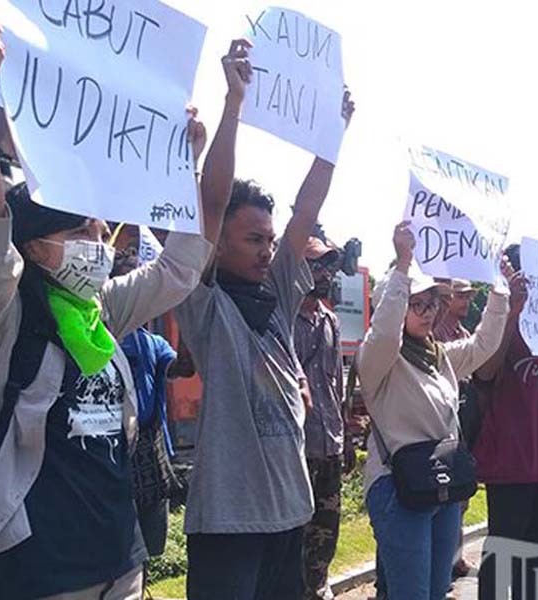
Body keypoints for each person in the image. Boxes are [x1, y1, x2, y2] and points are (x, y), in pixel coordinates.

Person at [0, 16, 217, 598]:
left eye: (98, 222)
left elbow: (181, 268)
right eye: (79, 227)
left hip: (119, 561)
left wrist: (183, 168)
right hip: (40, 574)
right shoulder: (2, 316)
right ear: (33, 245)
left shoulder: (99, 309)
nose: (99, 235)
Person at [174, 39, 355, 600]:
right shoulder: (204, 299)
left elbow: (306, 211)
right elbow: (211, 200)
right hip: (229, 525)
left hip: (290, 514)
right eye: (253, 239)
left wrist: (334, 137)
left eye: (269, 241)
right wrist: (234, 104)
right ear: (219, 243)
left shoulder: (276, 294)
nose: (266, 250)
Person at [358, 222, 510, 600]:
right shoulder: (379, 358)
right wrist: (404, 262)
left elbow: (484, 344)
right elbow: (384, 331)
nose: (429, 313)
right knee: (411, 593)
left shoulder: (439, 355)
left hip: (440, 483)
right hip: (398, 486)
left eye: (433, 304)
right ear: (395, 306)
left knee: (437, 588)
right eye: (418, 304)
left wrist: (499, 288)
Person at [474, 244, 538, 600]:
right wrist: (512, 313)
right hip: (510, 462)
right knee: (502, 556)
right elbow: (485, 370)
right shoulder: (499, 319)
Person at [110, 226, 190, 571]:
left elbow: (184, 368)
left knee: (148, 548)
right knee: (117, 547)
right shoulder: (99, 337)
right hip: (114, 455)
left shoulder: (152, 343)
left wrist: (189, 316)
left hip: (150, 454)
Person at [298, 236, 353, 600]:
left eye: (328, 265)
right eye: (316, 265)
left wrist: (346, 437)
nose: (324, 273)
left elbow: (337, 386)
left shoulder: (331, 320)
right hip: (296, 450)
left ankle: (319, 589)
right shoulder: (280, 318)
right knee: (294, 541)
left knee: (326, 534)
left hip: (329, 445)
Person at [432, 278, 478, 580]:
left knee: (459, 494)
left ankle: (454, 558)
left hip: (462, 423)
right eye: (461, 296)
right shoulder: (435, 335)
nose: (466, 302)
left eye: (468, 296)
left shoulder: (463, 334)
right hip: (437, 425)